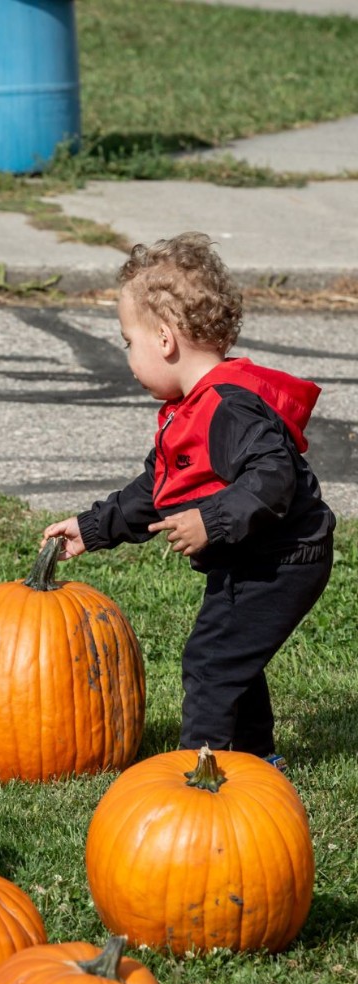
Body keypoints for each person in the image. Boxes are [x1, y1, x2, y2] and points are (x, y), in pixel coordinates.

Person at [43, 232, 334, 766]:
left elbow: (272, 481)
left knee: (211, 661)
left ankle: (201, 773)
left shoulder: (228, 407)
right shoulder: (195, 406)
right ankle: (254, 761)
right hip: (254, 554)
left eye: (128, 341)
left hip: (282, 558)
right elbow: (157, 492)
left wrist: (211, 520)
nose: (128, 355)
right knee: (231, 656)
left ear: (163, 339)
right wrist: (90, 528)